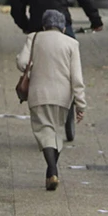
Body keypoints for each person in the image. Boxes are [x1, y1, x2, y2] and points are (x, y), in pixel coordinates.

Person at [16, 10, 86, 191]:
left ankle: (52, 169)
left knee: (44, 131)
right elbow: (76, 77)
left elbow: (22, 63)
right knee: (55, 131)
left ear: (44, 25)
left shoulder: (34, 37)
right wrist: (80, 103)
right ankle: (51, 173)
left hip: (38, 93)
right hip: (63, 96)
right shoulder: (72, 43)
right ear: (63, 27)